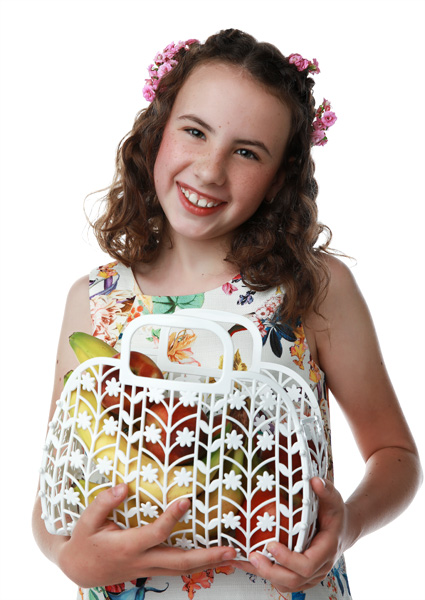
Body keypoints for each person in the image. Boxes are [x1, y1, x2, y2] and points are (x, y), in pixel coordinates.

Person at [32, 29, 422, 599]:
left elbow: (396, 455)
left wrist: (347, 529)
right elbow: (54, 488)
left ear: (279, 177)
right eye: (195, 131)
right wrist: (69, 557)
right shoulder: (94, 298)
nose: (211, 171)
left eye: (246, 152)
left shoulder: (312, 288)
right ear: (157, 132)